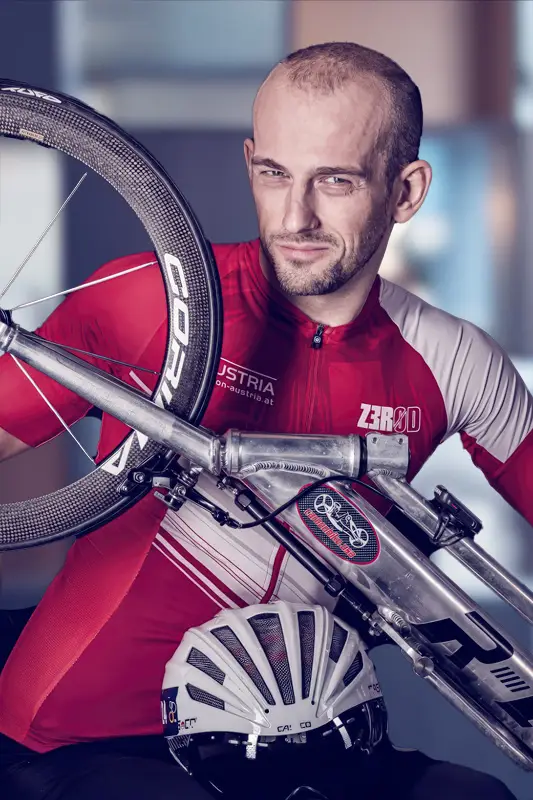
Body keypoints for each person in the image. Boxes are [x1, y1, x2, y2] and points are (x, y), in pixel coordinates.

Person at [0, 40, 526, 800]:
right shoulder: (154, 298)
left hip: (308, 744)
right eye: (273, 174)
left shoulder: (452, 360)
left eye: (335, 181)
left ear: (405, 192)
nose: (295, 215)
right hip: (89, 743)